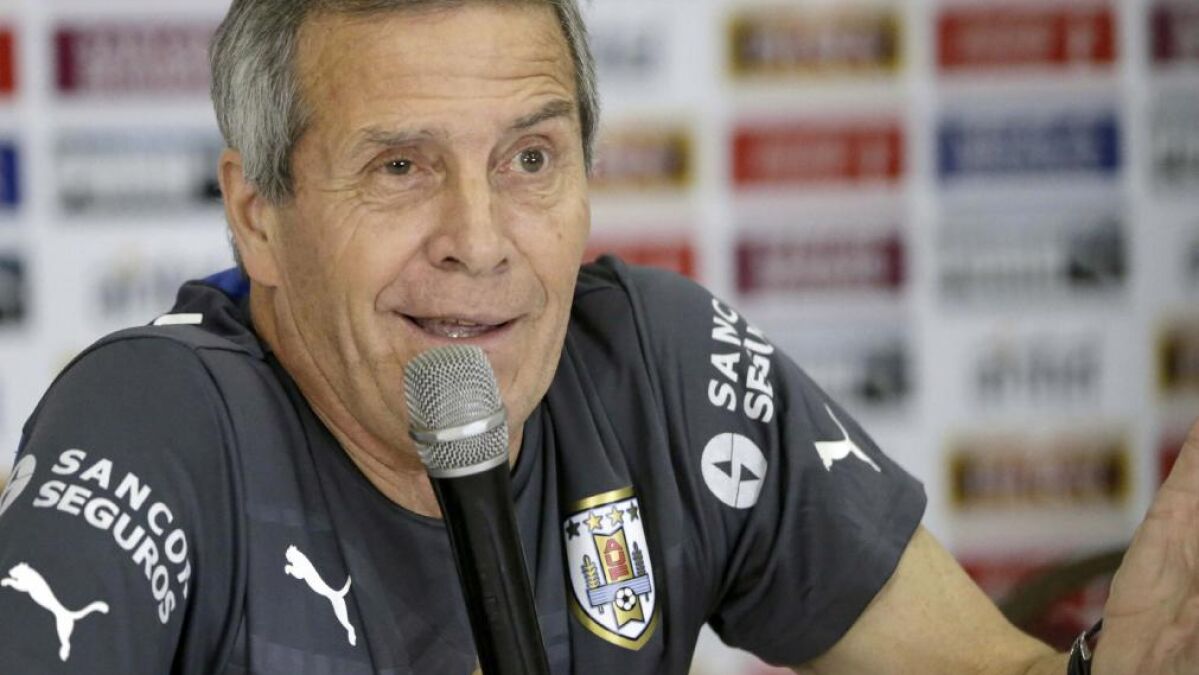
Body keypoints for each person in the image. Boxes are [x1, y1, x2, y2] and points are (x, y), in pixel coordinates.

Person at [0, 1, 1195, 673]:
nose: (479, 242)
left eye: (529, 159)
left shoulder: (659, 370)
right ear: (259, 214)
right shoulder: (160, 424)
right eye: (401, 167)